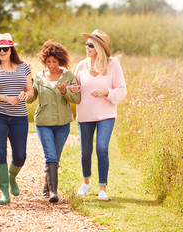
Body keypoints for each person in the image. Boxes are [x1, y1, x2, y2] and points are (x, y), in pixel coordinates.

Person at [69, 29, 127, 201]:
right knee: (85, 151)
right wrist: (73, 89)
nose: (87, 47)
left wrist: (105, 92)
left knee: (102, 148)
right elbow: (77, 89)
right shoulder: (80, 65)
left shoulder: (113, 65)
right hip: (85, 114)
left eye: (91, 44)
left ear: (100, 47)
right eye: (86, 43)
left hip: (106, 115)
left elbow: (122, 90)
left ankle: (103, 188)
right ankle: (86, 182)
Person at [0, 33, 34, 205]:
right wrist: (5, 98)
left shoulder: (24, 67)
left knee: (20, 156)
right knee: (0, 152)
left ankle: (12, 177)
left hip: (19, 116)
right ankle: (4, 192)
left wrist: (25, 95)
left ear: (11, 49)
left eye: (5, 48)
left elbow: (30, 90)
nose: (2, 51)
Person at [27, 40, 81, 202]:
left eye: (54, 62)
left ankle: (47, 185)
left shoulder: (69, 76)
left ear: (61, 61)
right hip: (43, 123)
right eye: (48, 61)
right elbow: (30, 100)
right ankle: (53, 193)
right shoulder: (38, 77)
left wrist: (65, 91)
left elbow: (77, 99)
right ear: (44, 61)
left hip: (63, 124)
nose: (51, 65)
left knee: (55, 158)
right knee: (50, 157)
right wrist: (26, 80)